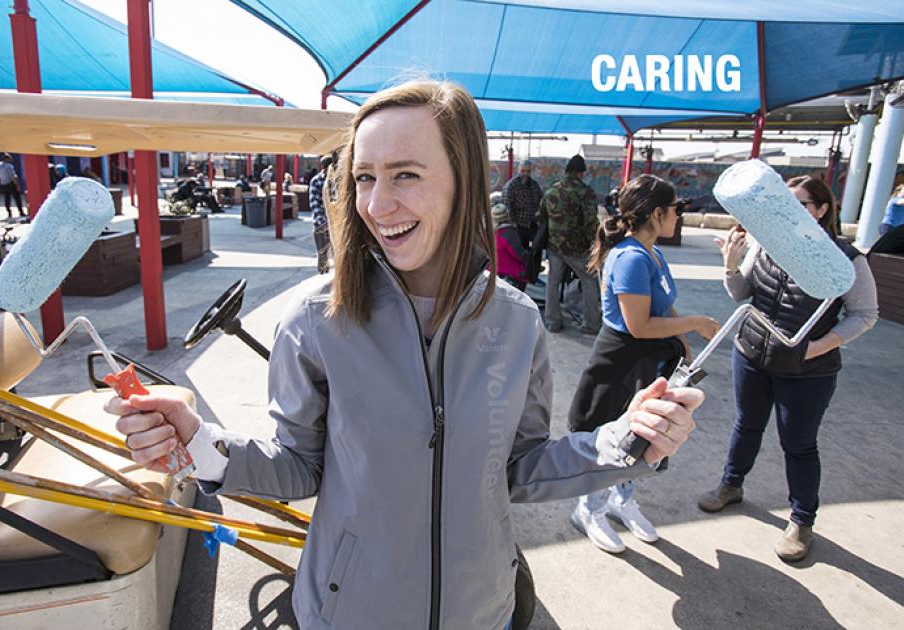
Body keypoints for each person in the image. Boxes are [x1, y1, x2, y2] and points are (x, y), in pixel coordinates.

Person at [107, 81, 703, 629]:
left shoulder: (518, 322)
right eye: (364, 177)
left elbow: (518, 467)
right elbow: (298, 465)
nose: (376, 204)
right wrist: (202, 445)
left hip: (483, 609)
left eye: (405, 174)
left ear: (464, 178)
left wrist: (624, 440)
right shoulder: (316, 318)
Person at [698, 175, 879, 562]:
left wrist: (818, 347)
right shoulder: (765, 242)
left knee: (798, 443)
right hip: (751, 353)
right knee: (746, 424)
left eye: (800, 206)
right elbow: (742, 293)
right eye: (784, 205)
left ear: (822, 209)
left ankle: (801, 520)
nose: (789, 214)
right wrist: (730, 265)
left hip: (807, 369)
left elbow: (864, 314)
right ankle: (731, 485)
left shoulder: (845, 258)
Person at [566, 174, 720, 554]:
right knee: (611, 437)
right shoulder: (630, 257)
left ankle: (621, 499)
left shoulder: (652, 251)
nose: (678, 216)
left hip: (652, 357)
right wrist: (696, 324)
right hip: (622, 361)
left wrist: (682, 345)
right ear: (656, 212)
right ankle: (589, 508)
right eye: (676, 209)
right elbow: (638, 325)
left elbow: (664, 305)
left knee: (642, 440)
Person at [539, 154, 601, 334]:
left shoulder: (551, 190)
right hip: (577, 247)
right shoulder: (585, 192)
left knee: (553, 282)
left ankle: (552, 322)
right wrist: (596, 244)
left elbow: (542, 216)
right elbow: (591, 222)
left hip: (554, 245)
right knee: (589, 281)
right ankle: (591, 324)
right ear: (582, 173)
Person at [502, 159, 543, 249]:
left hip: (531, 224)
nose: (525, 174)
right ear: (518, 170)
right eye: (523, 171)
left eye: (528, 171)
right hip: (517, 226)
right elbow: (507, 207)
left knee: (538, 247)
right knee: (519, 253)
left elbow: (541, 200)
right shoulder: (511, 186)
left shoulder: (534, 185)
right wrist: (513, 225)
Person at [493, 202, 527, 290]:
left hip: (492, 270)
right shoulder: (509, 234)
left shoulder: (489, 232)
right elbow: (519, 255)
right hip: (509, 272)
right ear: (507, 216)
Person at [309, 156, 333, 274]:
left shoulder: (336, 180)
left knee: (341, 256)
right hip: (321, 226)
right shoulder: (316, 180)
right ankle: (323, 277)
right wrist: (325, 223)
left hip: (335, 225)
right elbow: (315, 206)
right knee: (322, 256)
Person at [0, 153, 25, 219]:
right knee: (17, 198)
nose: (11, 160)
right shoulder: (9, 166)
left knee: (7, 199)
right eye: (10, 158)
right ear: (6, 159)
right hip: (10, 184)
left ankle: (9, 213)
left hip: (3, 183)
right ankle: (21, 212)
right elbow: (13, 177)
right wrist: (17, 185)